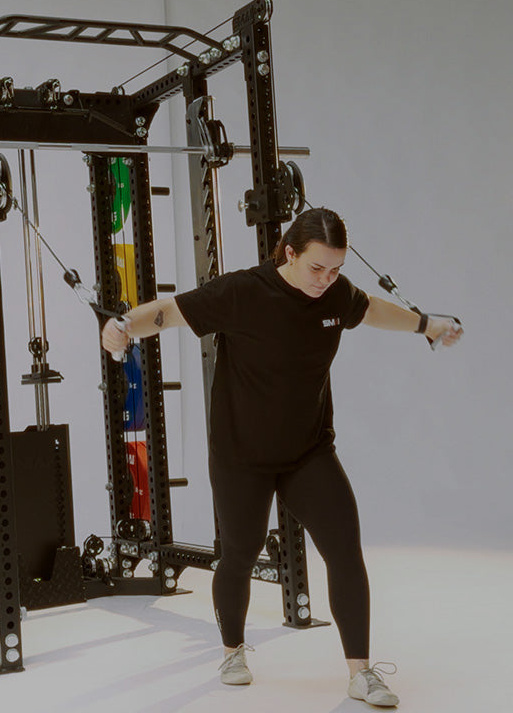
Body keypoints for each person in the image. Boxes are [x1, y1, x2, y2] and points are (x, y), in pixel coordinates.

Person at [100, 208, 462, 708]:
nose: (326, 279)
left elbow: (371, 309)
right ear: (289, 253)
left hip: (308, 451)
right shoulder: (242, 292)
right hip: (241, 456)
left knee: (344, 550)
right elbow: (169, 311)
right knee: (240, 553)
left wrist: (426, 325)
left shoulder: (336, 294)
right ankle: (232, 652)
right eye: (317, 267)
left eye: (335, 269)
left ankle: (360, 672)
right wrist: (123, 326)